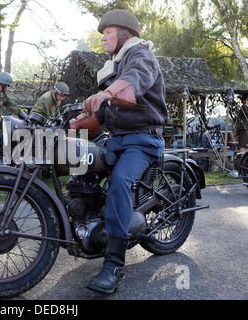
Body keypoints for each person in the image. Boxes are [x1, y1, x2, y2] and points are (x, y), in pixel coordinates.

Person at [69, 9, 168, 294]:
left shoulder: (140, 56)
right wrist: (79, 121)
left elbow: (133, 83)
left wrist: (105, 94)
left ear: (124, 34)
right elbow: (104, 114)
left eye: (107, 33)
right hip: (118, 138)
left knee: (120, 183)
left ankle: (113, 264)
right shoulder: (112, 65)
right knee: (82, 168)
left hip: (143, 140)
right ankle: (91, 224)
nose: (102, 39)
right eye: (102, 35)